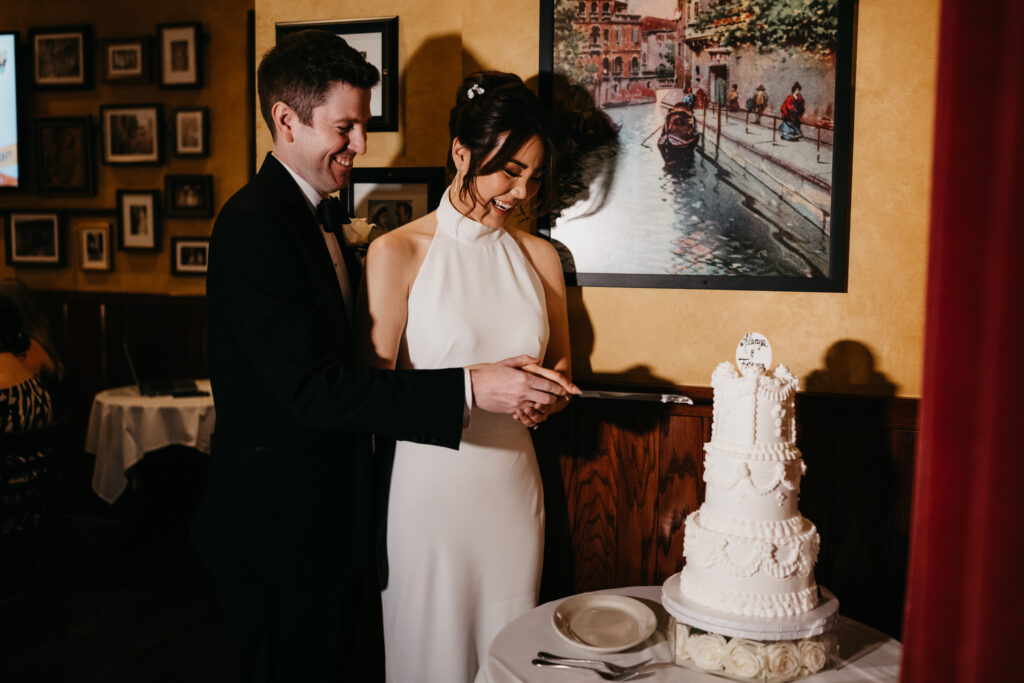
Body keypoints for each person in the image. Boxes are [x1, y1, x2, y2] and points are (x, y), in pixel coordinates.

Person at [200, 32, 577, 683]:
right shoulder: (254, 225)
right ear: (286, 119)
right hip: (283, 521)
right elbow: (318, 391)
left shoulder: (324, 218)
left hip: (369, 509)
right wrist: (470, 387)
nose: (361, 144)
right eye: (345, 126)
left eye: (364, 126)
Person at [361, 71, 572, 683]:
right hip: (429, 496)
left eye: (532, 175)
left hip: (512, 488)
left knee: (507, 656)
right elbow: (373, 397)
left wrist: (545, 401)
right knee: (431, 656)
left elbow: (561, 367)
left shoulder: (541, 257)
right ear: (461, 152)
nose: (521, 191)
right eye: (509, 170)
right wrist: (472, 383)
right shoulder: (397, 252)